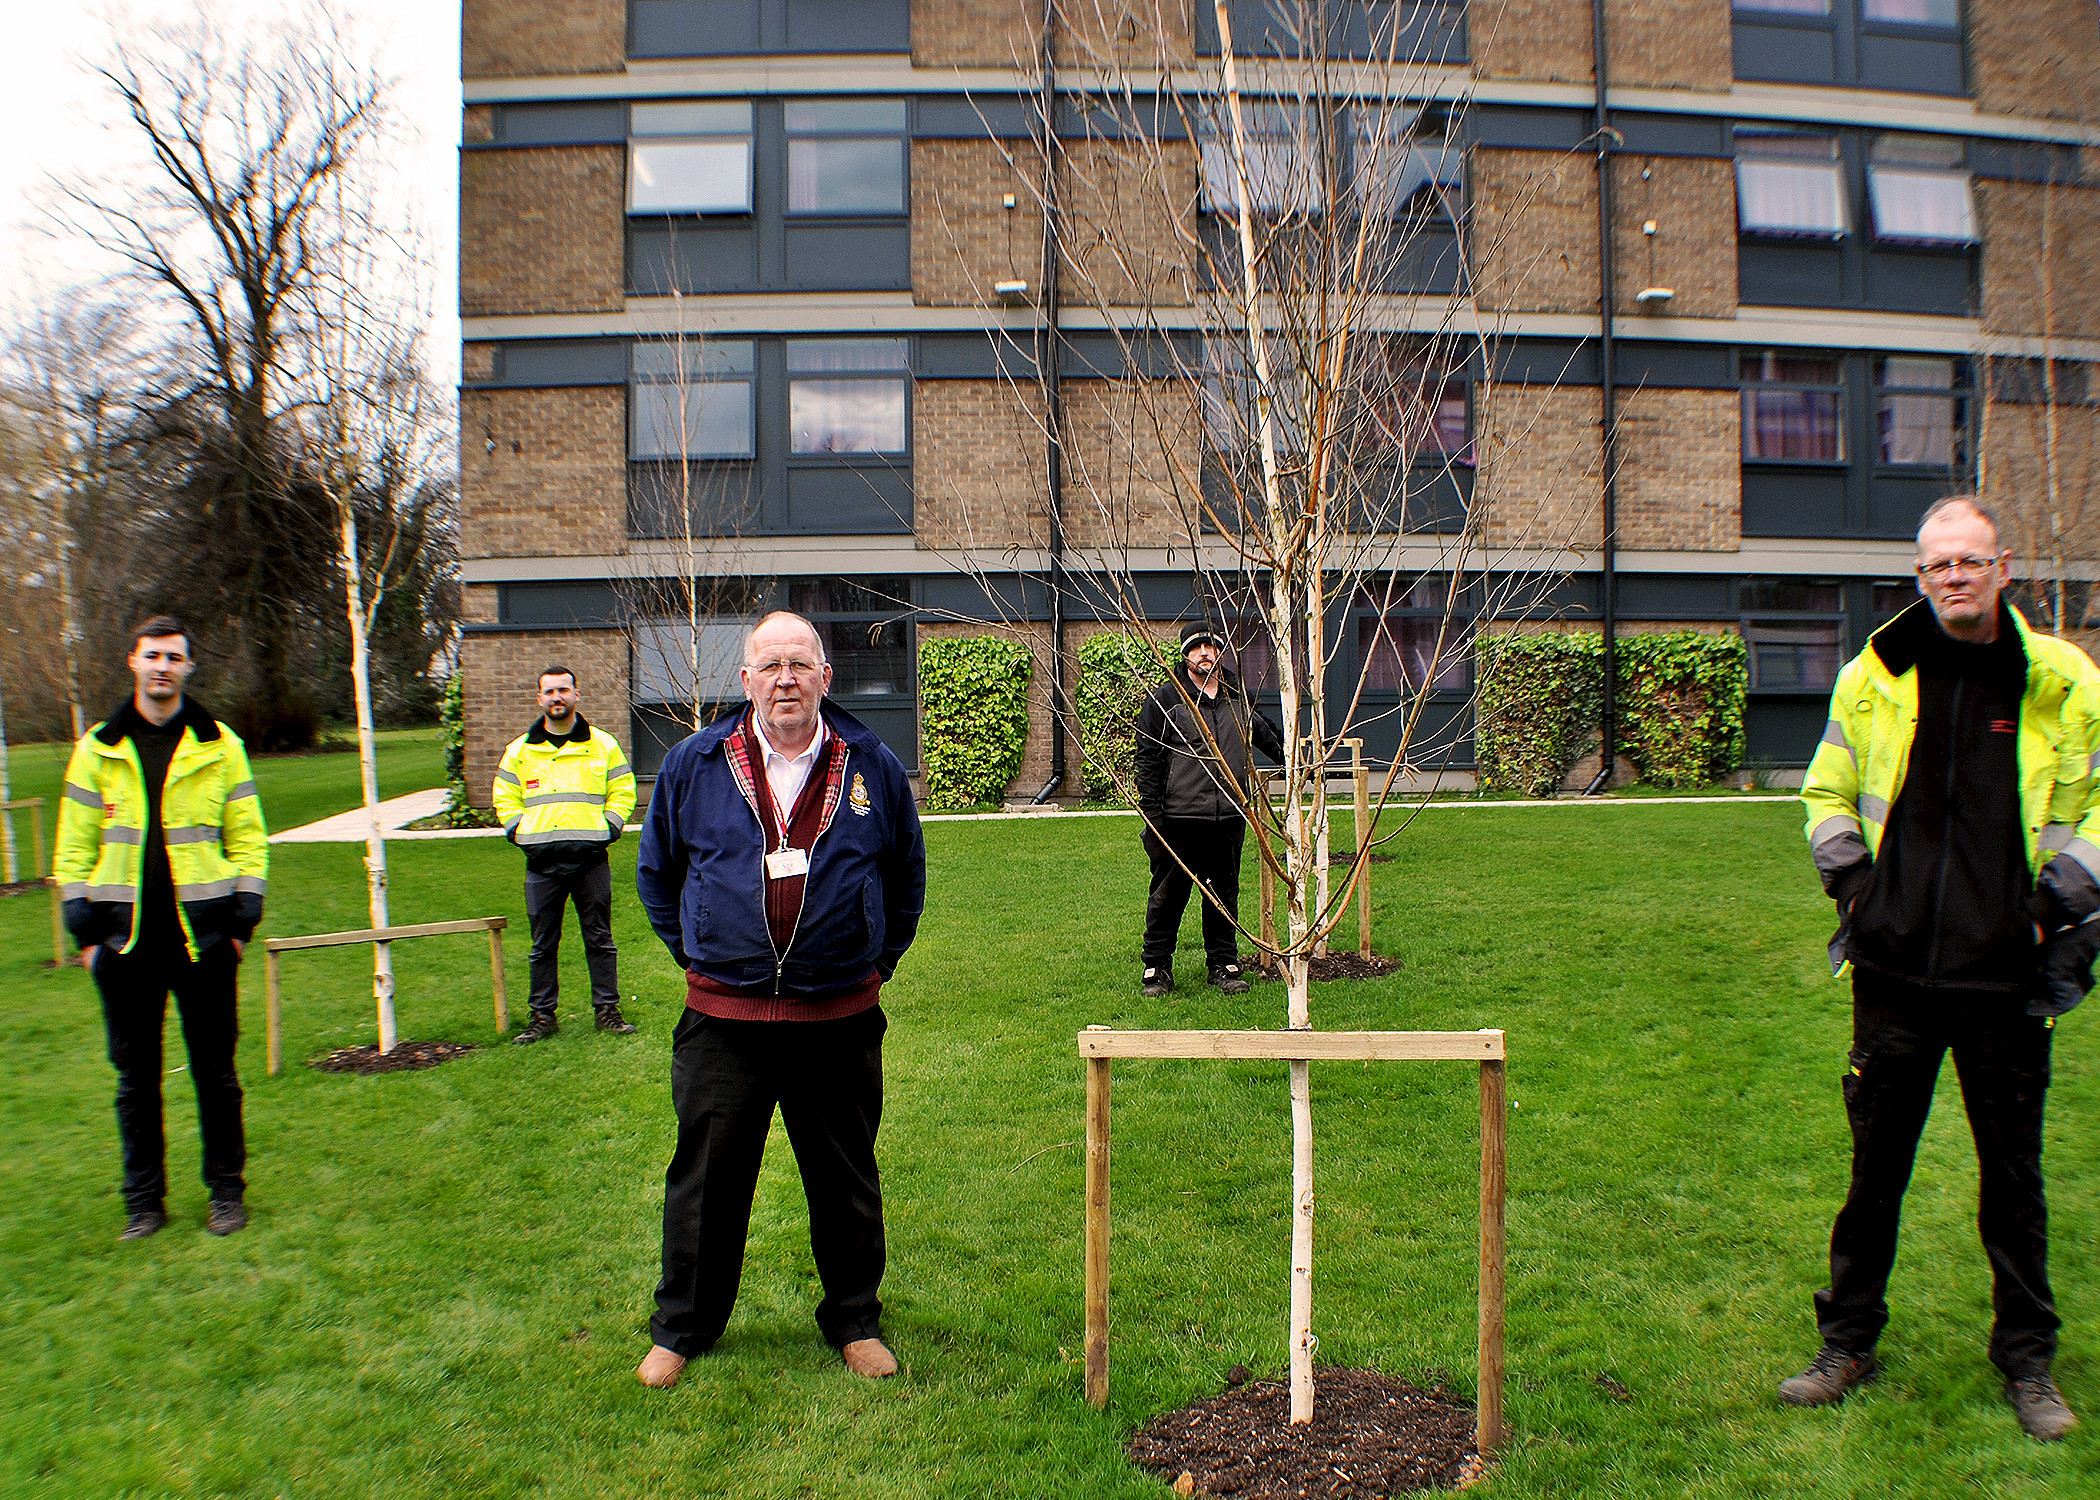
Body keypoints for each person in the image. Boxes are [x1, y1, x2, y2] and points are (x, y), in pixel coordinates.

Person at [1786, 495, 2100, 1441]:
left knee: (2014, 1182)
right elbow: (1826, 791)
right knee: (1873, 1175)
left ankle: (2028, 1363)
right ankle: (1847, 1343)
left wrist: (2052, 911)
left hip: (2007, 982)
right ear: (1919, 576)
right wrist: (1855, 894)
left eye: (1970, 561)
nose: (1955, 577)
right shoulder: (1875, 673)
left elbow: (2092, 809)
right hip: (1894, 979)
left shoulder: (2060, 679)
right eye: (1937, 565)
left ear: (2005, 567)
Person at [633, 610, 926, 1389]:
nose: (786, 678)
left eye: (801, 663)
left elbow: (905, 878)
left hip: (838, 1020)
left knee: (845, 1180)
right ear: (746, 681)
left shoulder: (873, 766)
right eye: (771, 665)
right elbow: (657, 876)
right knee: (705, 1182)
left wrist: (872, 958)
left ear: (826, 678)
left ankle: (855, 1320)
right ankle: (683, 1328)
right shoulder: (696, 764)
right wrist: (702, 952)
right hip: (724, 1023)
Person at [55, 617, 269, 1241]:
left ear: (188, 668)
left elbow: (249, 839)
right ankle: (143, 1205)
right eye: (153, 656)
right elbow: (73, 851)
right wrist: (87, 938)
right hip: (124, 947)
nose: (163, 668)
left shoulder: (219, 745)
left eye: (175, 658)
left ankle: (226, 1195)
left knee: (217, 1076)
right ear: (133, 662)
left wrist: (240, 926)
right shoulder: (98, 747)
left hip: (204, 943)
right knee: (135, 1082)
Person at [1133, 620, 1286, 997]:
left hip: (1230, 816)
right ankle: (1157, 966)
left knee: (1223, 895)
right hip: (1178, 817)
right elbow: (1148, 758)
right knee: (1168, 895)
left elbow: (1267, 736)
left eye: (1212, 646)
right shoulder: (1167, 700)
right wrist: (1153, 815)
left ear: (1220, 652)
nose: (1205, 652)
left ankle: (1223, 964)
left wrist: (1295, 761)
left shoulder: (1236, 696)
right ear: (1185, 653)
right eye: (1197, 646)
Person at [492, 666, 638, 1044]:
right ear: (539, 699)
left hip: (591, 861)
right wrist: (517, 831)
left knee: (600, 939)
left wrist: (609, 828)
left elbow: (623, 790)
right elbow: (504, 796)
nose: (557, 697)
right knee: (543, 944)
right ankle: (542, 1017)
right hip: (541, 863)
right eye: (549, 692)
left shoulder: (602, 745)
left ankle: (607, 1011)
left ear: (577, 695)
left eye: (563, 690)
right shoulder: (520, 750)